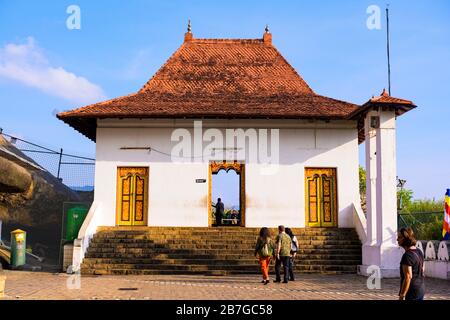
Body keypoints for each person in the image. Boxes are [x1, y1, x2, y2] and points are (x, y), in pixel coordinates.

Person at [397, 227, 425, 300]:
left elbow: (408, 277)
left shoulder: (407, 255)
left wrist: (402, 295)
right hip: (420, 288)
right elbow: (422, 269)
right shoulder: (419, 251)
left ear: (405, 238)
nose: (397, 239)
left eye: (399, 237)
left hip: (412, 291)